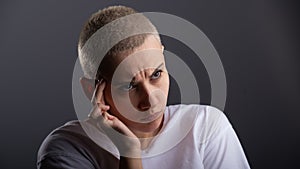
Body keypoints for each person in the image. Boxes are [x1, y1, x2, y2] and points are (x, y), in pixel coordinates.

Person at [37, 5, 251, 169]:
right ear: (91, 90)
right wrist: (128, 151)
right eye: (129, 86)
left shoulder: (205, 128)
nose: (150, 101)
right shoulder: (67, 149)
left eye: (156, 74)